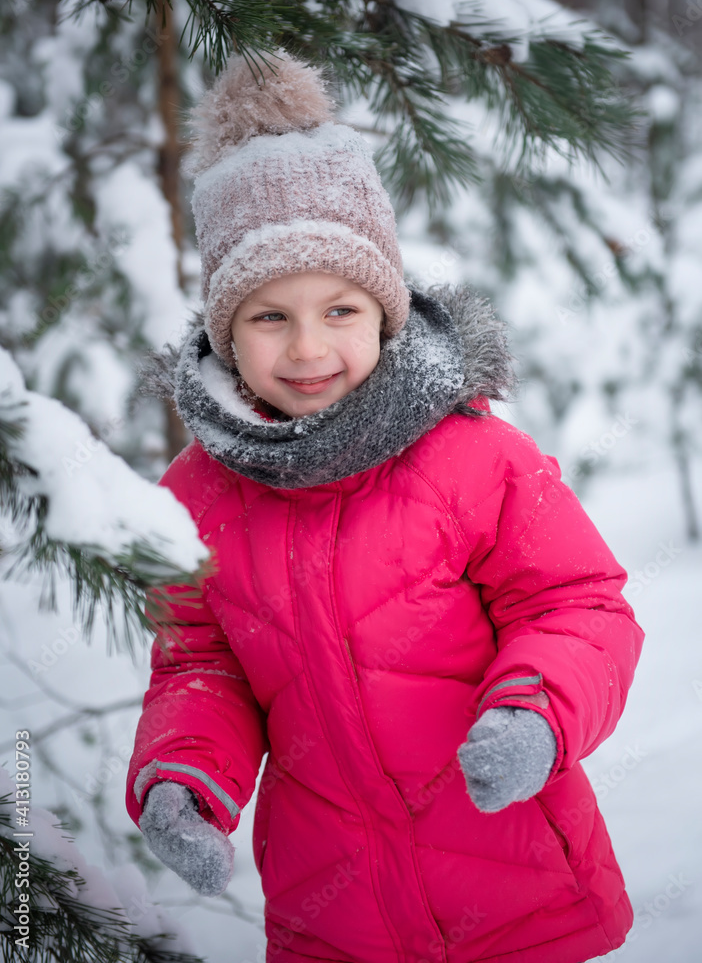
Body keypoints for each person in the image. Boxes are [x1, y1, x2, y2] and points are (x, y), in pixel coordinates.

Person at [126, 49, 644, 963]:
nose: (307, 348)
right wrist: (185, 776)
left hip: (517, 891)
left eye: (340, 310)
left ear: (385, 313)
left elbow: (577, 604)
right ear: (225, 332)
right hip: (335, 915)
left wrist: (535, 712)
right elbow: (200, 666)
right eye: (269, 316)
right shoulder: (197, 497)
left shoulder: (474, 458)